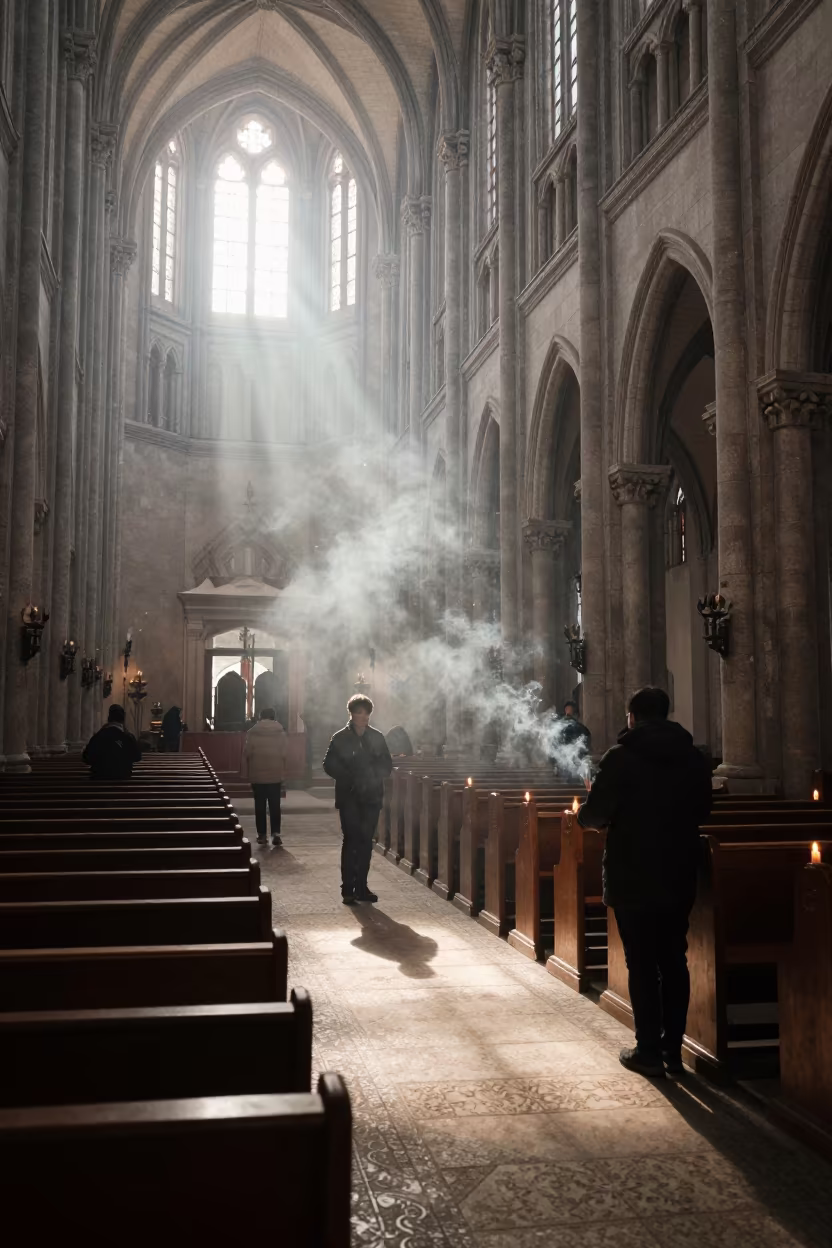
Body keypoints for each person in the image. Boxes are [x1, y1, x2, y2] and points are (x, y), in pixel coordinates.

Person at [577, 686, 712, 1078]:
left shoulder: (620, 757)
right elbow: (703, 808)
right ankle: (673, 1049)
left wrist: (589, 808)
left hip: (633, 871)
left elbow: (597, 815)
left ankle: (648, 1049)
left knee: (641, 962)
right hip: (678, 870)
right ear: (666, 714)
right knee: (674, 959)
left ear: (631, 717)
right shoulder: (692, 757)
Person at [323, 694, 393, 905]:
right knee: (351, 839)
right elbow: (328, 764)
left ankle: (361, 886)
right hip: (349, 796)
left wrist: (372, 776)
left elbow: (387, 765)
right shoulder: (340, 737)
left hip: (371, 796)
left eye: (366, 713)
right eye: (359, 712)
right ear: (351, 714)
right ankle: (347, 889)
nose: (363, 717)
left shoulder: (377, 737)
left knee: (365, 841)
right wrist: (349, 776)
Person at [243, 707, 289, 847]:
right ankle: (276, 834)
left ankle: (261, 835)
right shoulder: (280, 733)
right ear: (274, 717)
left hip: (257, 774)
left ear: (260, 717)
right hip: (275, 774)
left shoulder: (252, 732)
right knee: (275, 805)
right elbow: (285, 753)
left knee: (260, 805)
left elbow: (247, 752)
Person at [83, 704, 142, 782]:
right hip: (123, 781)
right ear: (123, 719)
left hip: (99, 782)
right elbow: (137, 757)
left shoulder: (99, 736)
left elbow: (86, 757)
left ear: (109, 718)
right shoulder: (128, 737)